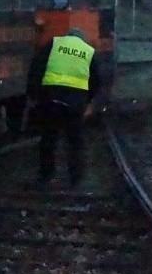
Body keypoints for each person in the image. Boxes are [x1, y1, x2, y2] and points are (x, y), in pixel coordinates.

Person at [26, 27, 100, 189]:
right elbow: (96, 81)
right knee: (75, 141)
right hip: (75, 104)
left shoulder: (54, 44)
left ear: (67, 36)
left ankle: (46, 177)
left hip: (51, 99)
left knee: (48, 138)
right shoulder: (88, 51)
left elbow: (36, 68)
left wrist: (35, 95)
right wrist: (88, 102)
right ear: (81, 39)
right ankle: (75, 180)